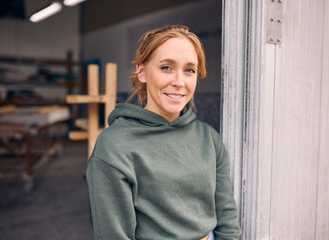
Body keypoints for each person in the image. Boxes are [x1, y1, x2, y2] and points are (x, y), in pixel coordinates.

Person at [86, 24, 241, 240]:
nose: (179, 82)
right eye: (166, 67)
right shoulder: (114, 147)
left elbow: (226, 216)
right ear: (142, 72)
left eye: (189, 70)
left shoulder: (209, 138)